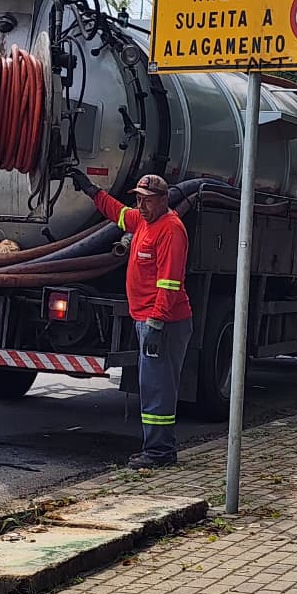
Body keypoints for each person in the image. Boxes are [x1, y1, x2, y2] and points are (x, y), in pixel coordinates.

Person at [68, 170, 193, 468]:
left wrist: (157, 322)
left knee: (157, 387)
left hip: (163, 323)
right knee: (152, 385)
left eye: (148, 200)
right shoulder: (143, 221)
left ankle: (160, 452)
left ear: (164, 200)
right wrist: (92, 191)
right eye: (139, 199)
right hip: (149, 320)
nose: (141, 205)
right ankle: (158, 448)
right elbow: (118, 213)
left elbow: (170, 282)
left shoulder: (171, 229)